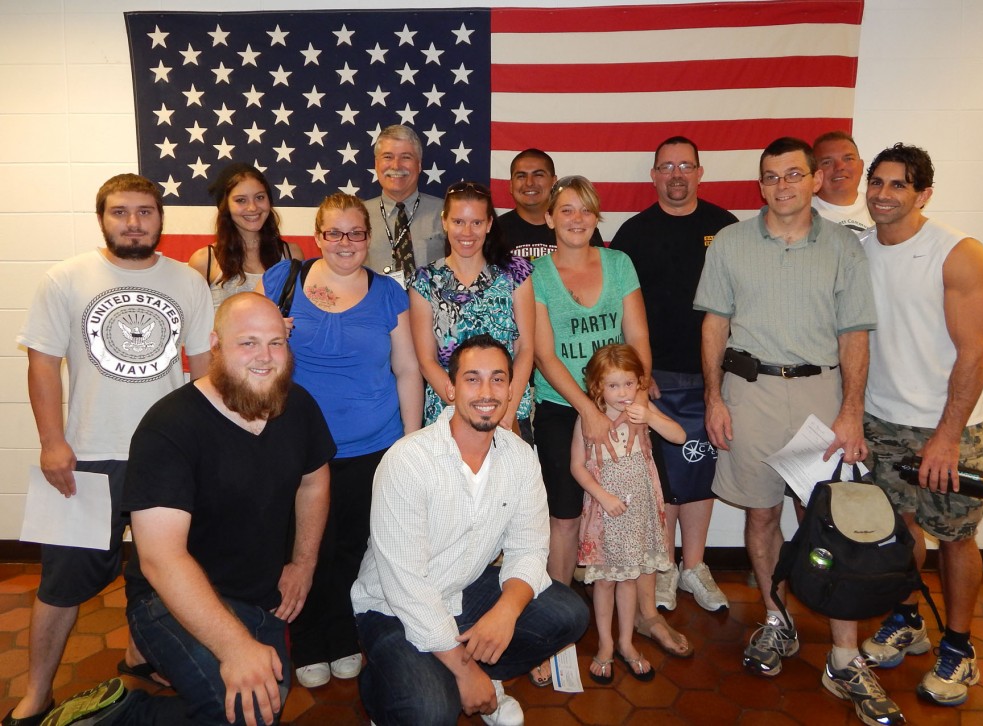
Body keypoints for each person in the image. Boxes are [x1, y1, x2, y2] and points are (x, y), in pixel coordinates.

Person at [40, 292, 336, 726]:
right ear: (215, 343)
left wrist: (303, 564)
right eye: (248, 342)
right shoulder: (170, 427)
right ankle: (119, 715)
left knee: (263, 706)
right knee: (243, 711)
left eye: (276, 342)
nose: (265, 357)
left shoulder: (298, 406)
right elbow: (162, 560)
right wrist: (235, 647)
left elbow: (314, 480)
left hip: (257, 596)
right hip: (166, 599)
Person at [694, 138, 904, 725]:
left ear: (814, 180)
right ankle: (776, 617)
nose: (781, 185)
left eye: (792, 174)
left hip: (822, 397)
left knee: (840, 525)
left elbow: (855, 334)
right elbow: (715, 324)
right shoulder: (731, 243)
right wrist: (714, 398)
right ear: (758, 185)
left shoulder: (843, 247)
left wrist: (851, 412)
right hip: (750, 394)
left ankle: (843, 655)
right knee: (761, 515)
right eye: (770, 177)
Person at [7, 174, 214, 726]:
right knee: (61, 584)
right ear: (102, 218)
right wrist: (53, 441)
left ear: (160, 219)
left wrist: (208, 446)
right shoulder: (65, 279)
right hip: (87, 455)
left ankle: (140, 656)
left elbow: (207, 370)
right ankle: (36, 691)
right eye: (120, 212)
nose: (133, 223)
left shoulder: (187, 282)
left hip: (167, 455)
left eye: (145, 212)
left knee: (162, 571)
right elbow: (43, 364)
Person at [351, 335, 590, 726]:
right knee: (432, 711)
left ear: (513, 389)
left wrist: (506, 613)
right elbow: (406, 585)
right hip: (390, 607)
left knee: (567, 613)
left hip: (461, 590)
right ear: (450, 388)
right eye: (472, 379)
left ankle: (475, 672)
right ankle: (387, 686)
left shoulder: (519, 457)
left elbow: (530, 548)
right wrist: (465, 670)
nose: (487, 392)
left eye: (498, 379)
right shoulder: (408, 461)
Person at [257, 193, 422, 689]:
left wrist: (411, 445)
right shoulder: (281, 282)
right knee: (305, 548)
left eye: (356, 233)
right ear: (318, 236)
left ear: (368, 239)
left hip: (372, 445)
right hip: (300, 447)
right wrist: (276, 336)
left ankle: (346, 635)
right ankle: (308, 640)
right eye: (335, 233)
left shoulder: (389, 293)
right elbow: (256, 360)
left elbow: (408, 368)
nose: (345, 243)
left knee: (352, 548)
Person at [858, 144, 983, 708]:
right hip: (881, 418)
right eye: (878, 183)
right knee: (901, 529)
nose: (884, 195)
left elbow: (976, 353)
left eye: (899, 186)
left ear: (923, 195)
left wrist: (945, 436)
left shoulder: (957, 253)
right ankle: (907, 618)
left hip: (946, 426)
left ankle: (959, 647)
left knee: (957, 537)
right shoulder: (861, 250)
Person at [533, 176, 691, 663]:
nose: (576, 219)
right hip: (564, 407)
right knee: (565, 515)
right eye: (566, 210)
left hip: (625, 404)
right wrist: (588, 410)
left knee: (644, 509)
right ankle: (555, 621)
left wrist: (636, 404)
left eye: (585, 210)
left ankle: (646, 614)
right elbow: (543, 353)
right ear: (549, 218)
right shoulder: (537, 271)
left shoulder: (619, 264)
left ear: (598, 217)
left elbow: (639, 338)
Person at [612, 135, 736, 614]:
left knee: (701, 473)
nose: (677, 174)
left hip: (712, 379)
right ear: (654, 176)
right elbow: (620, 312)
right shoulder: (633, 234)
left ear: (700, 173)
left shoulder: (725, 228)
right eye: (667, 166)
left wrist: (720, 383)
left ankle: (694, 567)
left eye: (686, 165)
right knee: (661, 478)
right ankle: (663, 567)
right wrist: (639, 376)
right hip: (655, 378)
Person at [574, 344, 683, 684]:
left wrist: (649, 415)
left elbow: (679, 436)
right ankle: (605, 644)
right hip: (605, 515)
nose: (622, 393)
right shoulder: (589, 418)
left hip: (638, 514)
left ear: (639, 383)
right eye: (613, 385)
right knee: (605, 580)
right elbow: (577, 467)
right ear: (598, 387)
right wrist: (603, 497)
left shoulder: (643, 410)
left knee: (631, 579)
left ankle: (626, 642)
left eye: (629, 384)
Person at [410, 181, 534, 438]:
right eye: (458, 222)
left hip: (506, 413)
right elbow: (426, 360)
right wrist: (466, 410)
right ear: (444, 222)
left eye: (476, 223)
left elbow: (525, 349)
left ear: (489, 224)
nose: (467, 232)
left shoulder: (515, 273)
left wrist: (505, 411)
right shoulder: (425, 281)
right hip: (448, 414)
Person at [188, 162, 303, 310]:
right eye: (241, 200)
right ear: (225, 206)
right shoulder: (204, 261)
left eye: (260, 197)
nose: (253, 207)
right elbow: (193, 323)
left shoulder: (292, 254)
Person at [364, 124, 445, 287]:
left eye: (406, 157)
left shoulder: (446, 212)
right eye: (387, 157)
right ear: (376, 164)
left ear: (419, 165)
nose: (396, 165)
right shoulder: (358, 215)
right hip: (373, 310)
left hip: (433, 310)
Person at [497, 149, 602, 260]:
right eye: (521, 176)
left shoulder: (578, 227)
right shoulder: (494, 231)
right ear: (511, 185)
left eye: (538, 175)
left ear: (553, 182)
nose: (529, 183)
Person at [811, 131, 872, 232]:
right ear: (814, 172)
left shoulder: (880, 209)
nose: (839, 167)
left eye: (848, 159)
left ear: (861, 166)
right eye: (827, 162)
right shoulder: (799, 213)